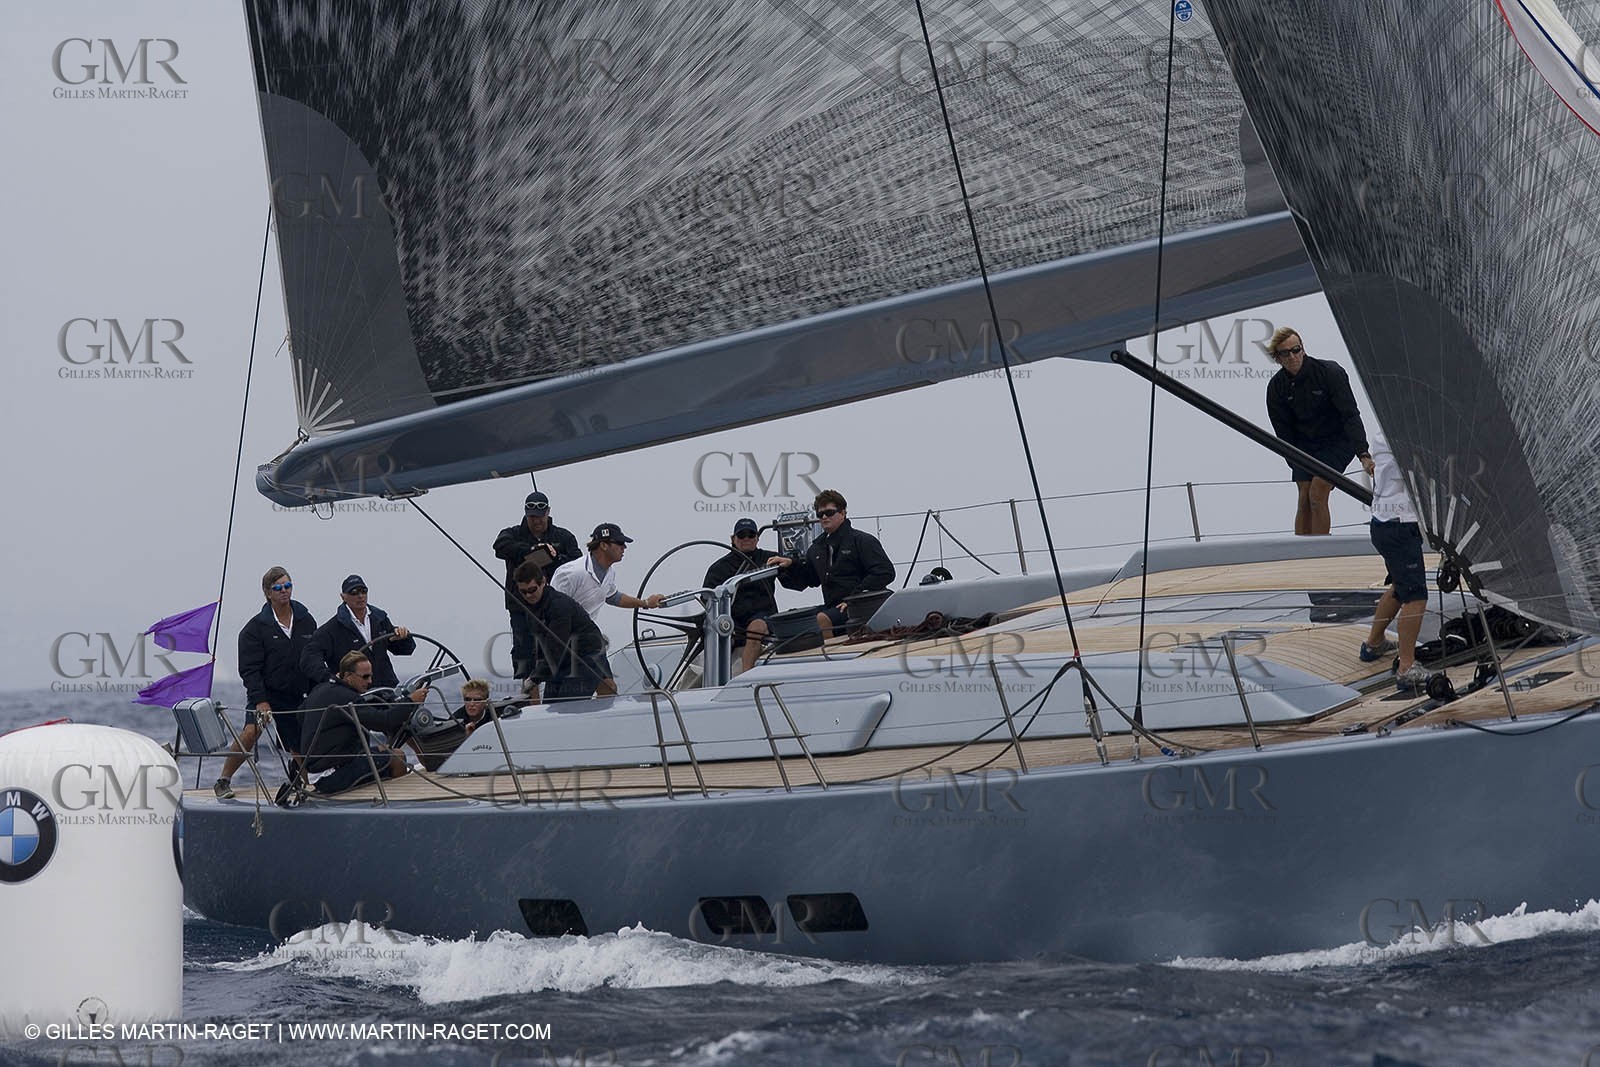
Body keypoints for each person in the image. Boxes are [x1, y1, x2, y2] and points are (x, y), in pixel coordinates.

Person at [214, 567, 317, 800]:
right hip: (266, 693)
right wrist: (260, 700)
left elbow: (314, 655)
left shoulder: (305, 620)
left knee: (299, 741)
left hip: (297, 694)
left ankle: (305, 785)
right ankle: (223, 780)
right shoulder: (254, 629)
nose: (284, 592)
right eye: (278, 588)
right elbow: (249, 670)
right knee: (251, 732)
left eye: (287, 586)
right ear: (268, 592)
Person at [1264, 327, 1375, 535]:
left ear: (1303, 349)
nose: (1293, 356)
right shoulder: (1276, 388)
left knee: (1317, 492)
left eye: (1296, 350)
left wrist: (1363, 454)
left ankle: (1321, 549)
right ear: (1277, 358)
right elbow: (1283, 432)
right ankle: (1302, 554)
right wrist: (1294, 462)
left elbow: (1350, 415)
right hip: (1303, 446)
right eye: (1285, 353)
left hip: (1338, 441)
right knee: (1304, 497)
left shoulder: (1330, 373)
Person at [550, 523, 665, 696]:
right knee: (570, 696)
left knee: (608, 688)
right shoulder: (572, 573)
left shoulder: (609, 572)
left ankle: (600, 721)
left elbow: (612, 596)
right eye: (619, 543)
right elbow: (551, 606)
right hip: (566, 642)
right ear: (604, 545)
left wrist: (645, 603)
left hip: (589, 639)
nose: (624, 547)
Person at [296, 651, 424, 797]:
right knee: (397, 757)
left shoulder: (320, 689)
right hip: (331, 775)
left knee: (385, 748)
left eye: (371, 676)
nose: (369, 681)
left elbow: (300, 716)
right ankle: (399, 807)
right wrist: (411, 701)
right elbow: (385, 722)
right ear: (348, 676)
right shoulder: (348, 698)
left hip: (319, 771)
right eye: (365, 677)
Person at [1360, 438, 1433, 691]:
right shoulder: (1402, 434)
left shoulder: (1383, 432)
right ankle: (1406, 668)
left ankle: (1373, 645)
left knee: (1401, 587)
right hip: (1400, 524)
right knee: (1415, 596)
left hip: (1382, 522)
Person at [775, 489, 895, 640]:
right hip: (834, 606)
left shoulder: (862, 541)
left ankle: (831, 660)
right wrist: (790, 566)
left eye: (830, 512)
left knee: (821, 619)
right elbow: (810, 579)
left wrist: (854, 598)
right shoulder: (816, 549)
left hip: (863, 605)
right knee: (792, 620)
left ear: (843, 513)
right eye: (820, 514)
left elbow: (885, 572)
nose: (824, 517)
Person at [493, 491, 581, 683]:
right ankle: (529, 700)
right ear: (525, 515)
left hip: (553, 606)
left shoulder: (563, 536)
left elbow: (578, 561)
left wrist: (555, 556)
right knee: (524, 651)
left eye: (540, 516)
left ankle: (556, 691)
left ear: (548, 512)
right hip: (520, 606)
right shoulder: (512, 534)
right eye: (532, 517)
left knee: (555, 649)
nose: (537, 521)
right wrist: (531, 551)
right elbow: (499, 547)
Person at [514, 561, 610, 702]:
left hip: (585, 659)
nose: (528, 595)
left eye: (532, 590)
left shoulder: (559, 605)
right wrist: (532, 674)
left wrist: (535, 678)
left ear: (543, 582)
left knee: (568, 708)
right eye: (523, 592)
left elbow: (556, 646)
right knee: (550, 709)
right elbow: (540, 647)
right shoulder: (531, 609)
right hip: (561, 663)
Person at [300, 575, 417, 688]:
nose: (360, 596)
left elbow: (405, 649)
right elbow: (309, 659)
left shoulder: (380, 619)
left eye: (363, 591)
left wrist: (403, 637)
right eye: (354, 592)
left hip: (386, 689)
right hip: (354, 696)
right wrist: (330, 679)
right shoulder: (331, 630)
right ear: (343, 597)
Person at [702, 518, 781, 673]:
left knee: (756, 627)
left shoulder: (771, 559)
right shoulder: (719, 568)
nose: (746, 539)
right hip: (732, 621)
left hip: (763, 617)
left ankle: (746, 677)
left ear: (757, 537)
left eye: (751, 535)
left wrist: (790, 563)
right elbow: (707, 600)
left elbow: (797, 581)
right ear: (733, 539)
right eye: (741, 535)